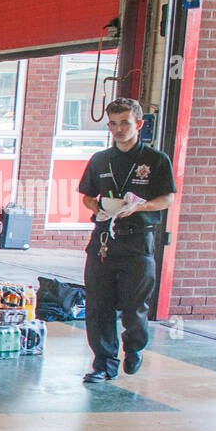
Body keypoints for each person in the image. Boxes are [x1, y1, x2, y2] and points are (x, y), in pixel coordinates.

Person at [77, 97, 176, 383]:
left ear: (139, 125)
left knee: (134, 307)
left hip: (137, 242)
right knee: (98, 305)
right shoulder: (100, 159)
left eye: (125, 123)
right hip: (104, 240)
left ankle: (134, 348)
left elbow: (167, 198)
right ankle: (103, 364)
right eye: (113, 124)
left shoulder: (156, 160)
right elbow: (87, 195)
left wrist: (139, 207)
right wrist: (95, 207)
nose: (118, 129)